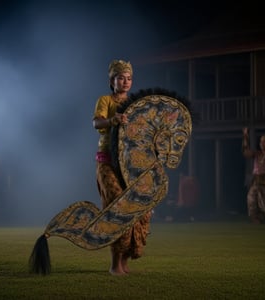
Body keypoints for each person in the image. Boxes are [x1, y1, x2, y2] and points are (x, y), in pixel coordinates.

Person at [92, 59, 151, 275]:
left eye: (128, 78)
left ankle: (125, 261)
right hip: (107, 161)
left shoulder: (136, 103)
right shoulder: (105, 101)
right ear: (112, 80)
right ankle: (115, 264)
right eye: (120, 78)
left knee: (137, 209)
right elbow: (96, 123)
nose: (125, 81)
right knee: (118, 207)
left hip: (129, 163)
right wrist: (112, 120)